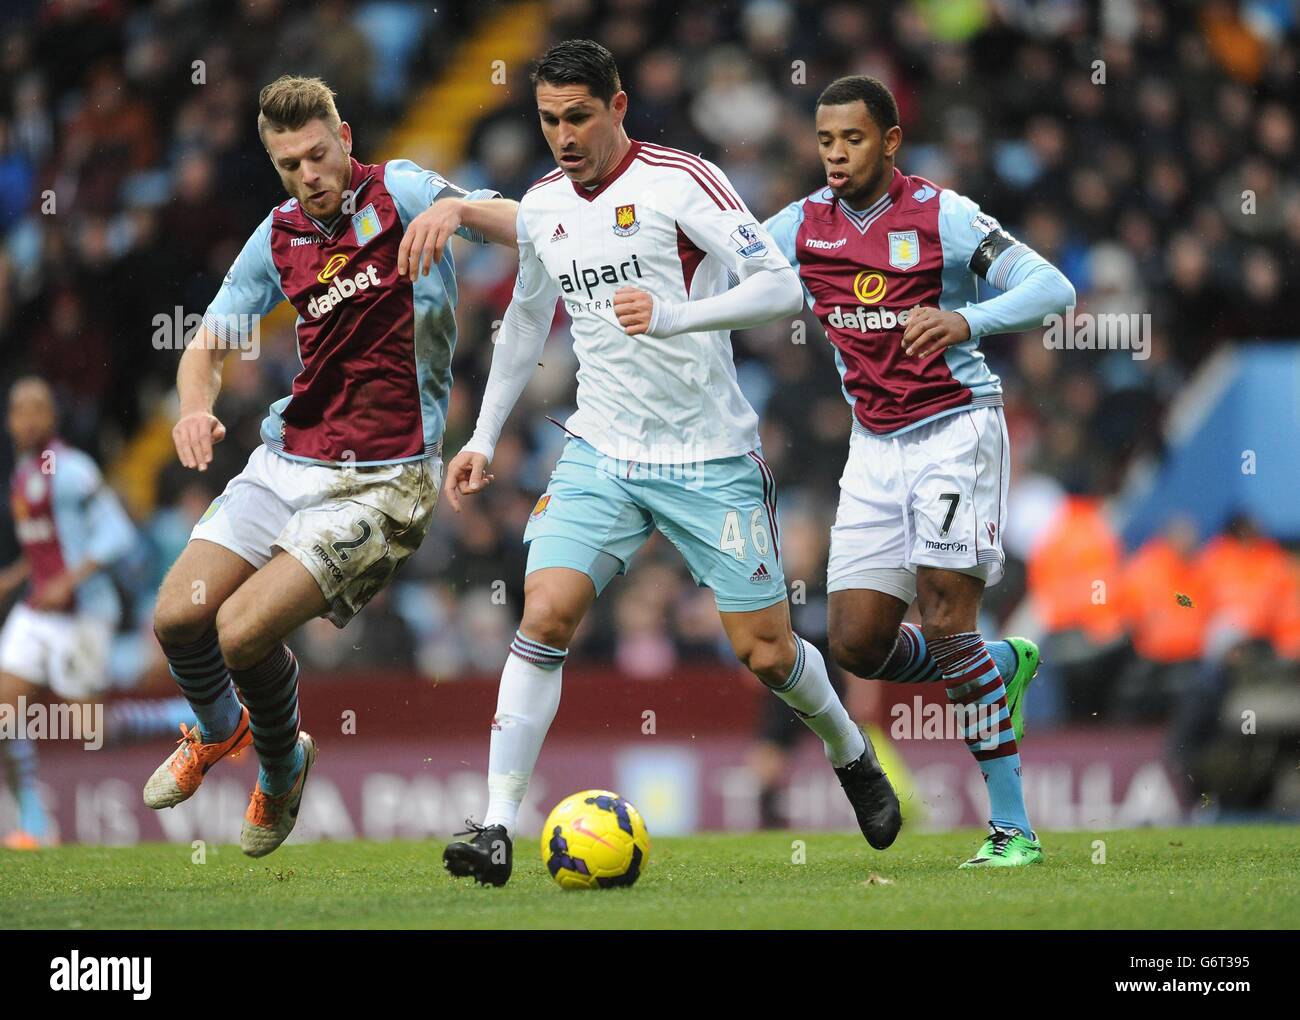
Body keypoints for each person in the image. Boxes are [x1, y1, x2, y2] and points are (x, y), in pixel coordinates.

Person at [441, 40, 900, 887]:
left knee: (765, 652)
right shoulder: (543, 206)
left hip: (709, 457)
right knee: (543, 612)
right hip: (601, 451)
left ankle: (849, 750)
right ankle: (497, 823)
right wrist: (479, 435)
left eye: (579, 116)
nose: (564, 135)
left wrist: (678, 315)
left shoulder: (678, 180)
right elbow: (523, 326)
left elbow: (780, 286)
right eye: (548, 120)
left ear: (618, 106)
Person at [145, 75, 519, 858]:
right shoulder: (276, 235)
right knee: (178, 617)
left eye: (317, 155)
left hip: (386, 479)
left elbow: (528, 223)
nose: (308, 176)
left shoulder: (405, 190)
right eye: (289, 165)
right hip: (290, 457)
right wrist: (191, 405)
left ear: (344, 136)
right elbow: (208, 344)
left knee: (241, 631)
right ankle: (219, 734)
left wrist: (457, 209)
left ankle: (281, 773)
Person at [764, 76, 1076, 867]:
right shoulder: (802, 225)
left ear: (891, 141)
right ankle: (1000, 665)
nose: (836, 154)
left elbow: (1054, 288)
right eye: (826, 140)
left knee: (945, 620)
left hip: (955, 430)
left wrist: (965, 317)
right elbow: (718, 257)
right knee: (857, 645)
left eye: (854, 139)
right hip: (872, 447)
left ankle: (1014, 831)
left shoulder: (945, 214)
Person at [0, 378, 136, 848]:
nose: (28, 418)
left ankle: (203, 718)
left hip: (83, 613)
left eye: (37, 408)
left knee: (92, 731)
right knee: (2, 714)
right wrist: (15, 578)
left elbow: (119, 533)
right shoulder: (22, 472)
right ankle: (35, 825)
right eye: (19, 410)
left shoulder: (74, 469)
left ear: (52, 417)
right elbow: (47, 545)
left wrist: (68, 583)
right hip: (39, 613)